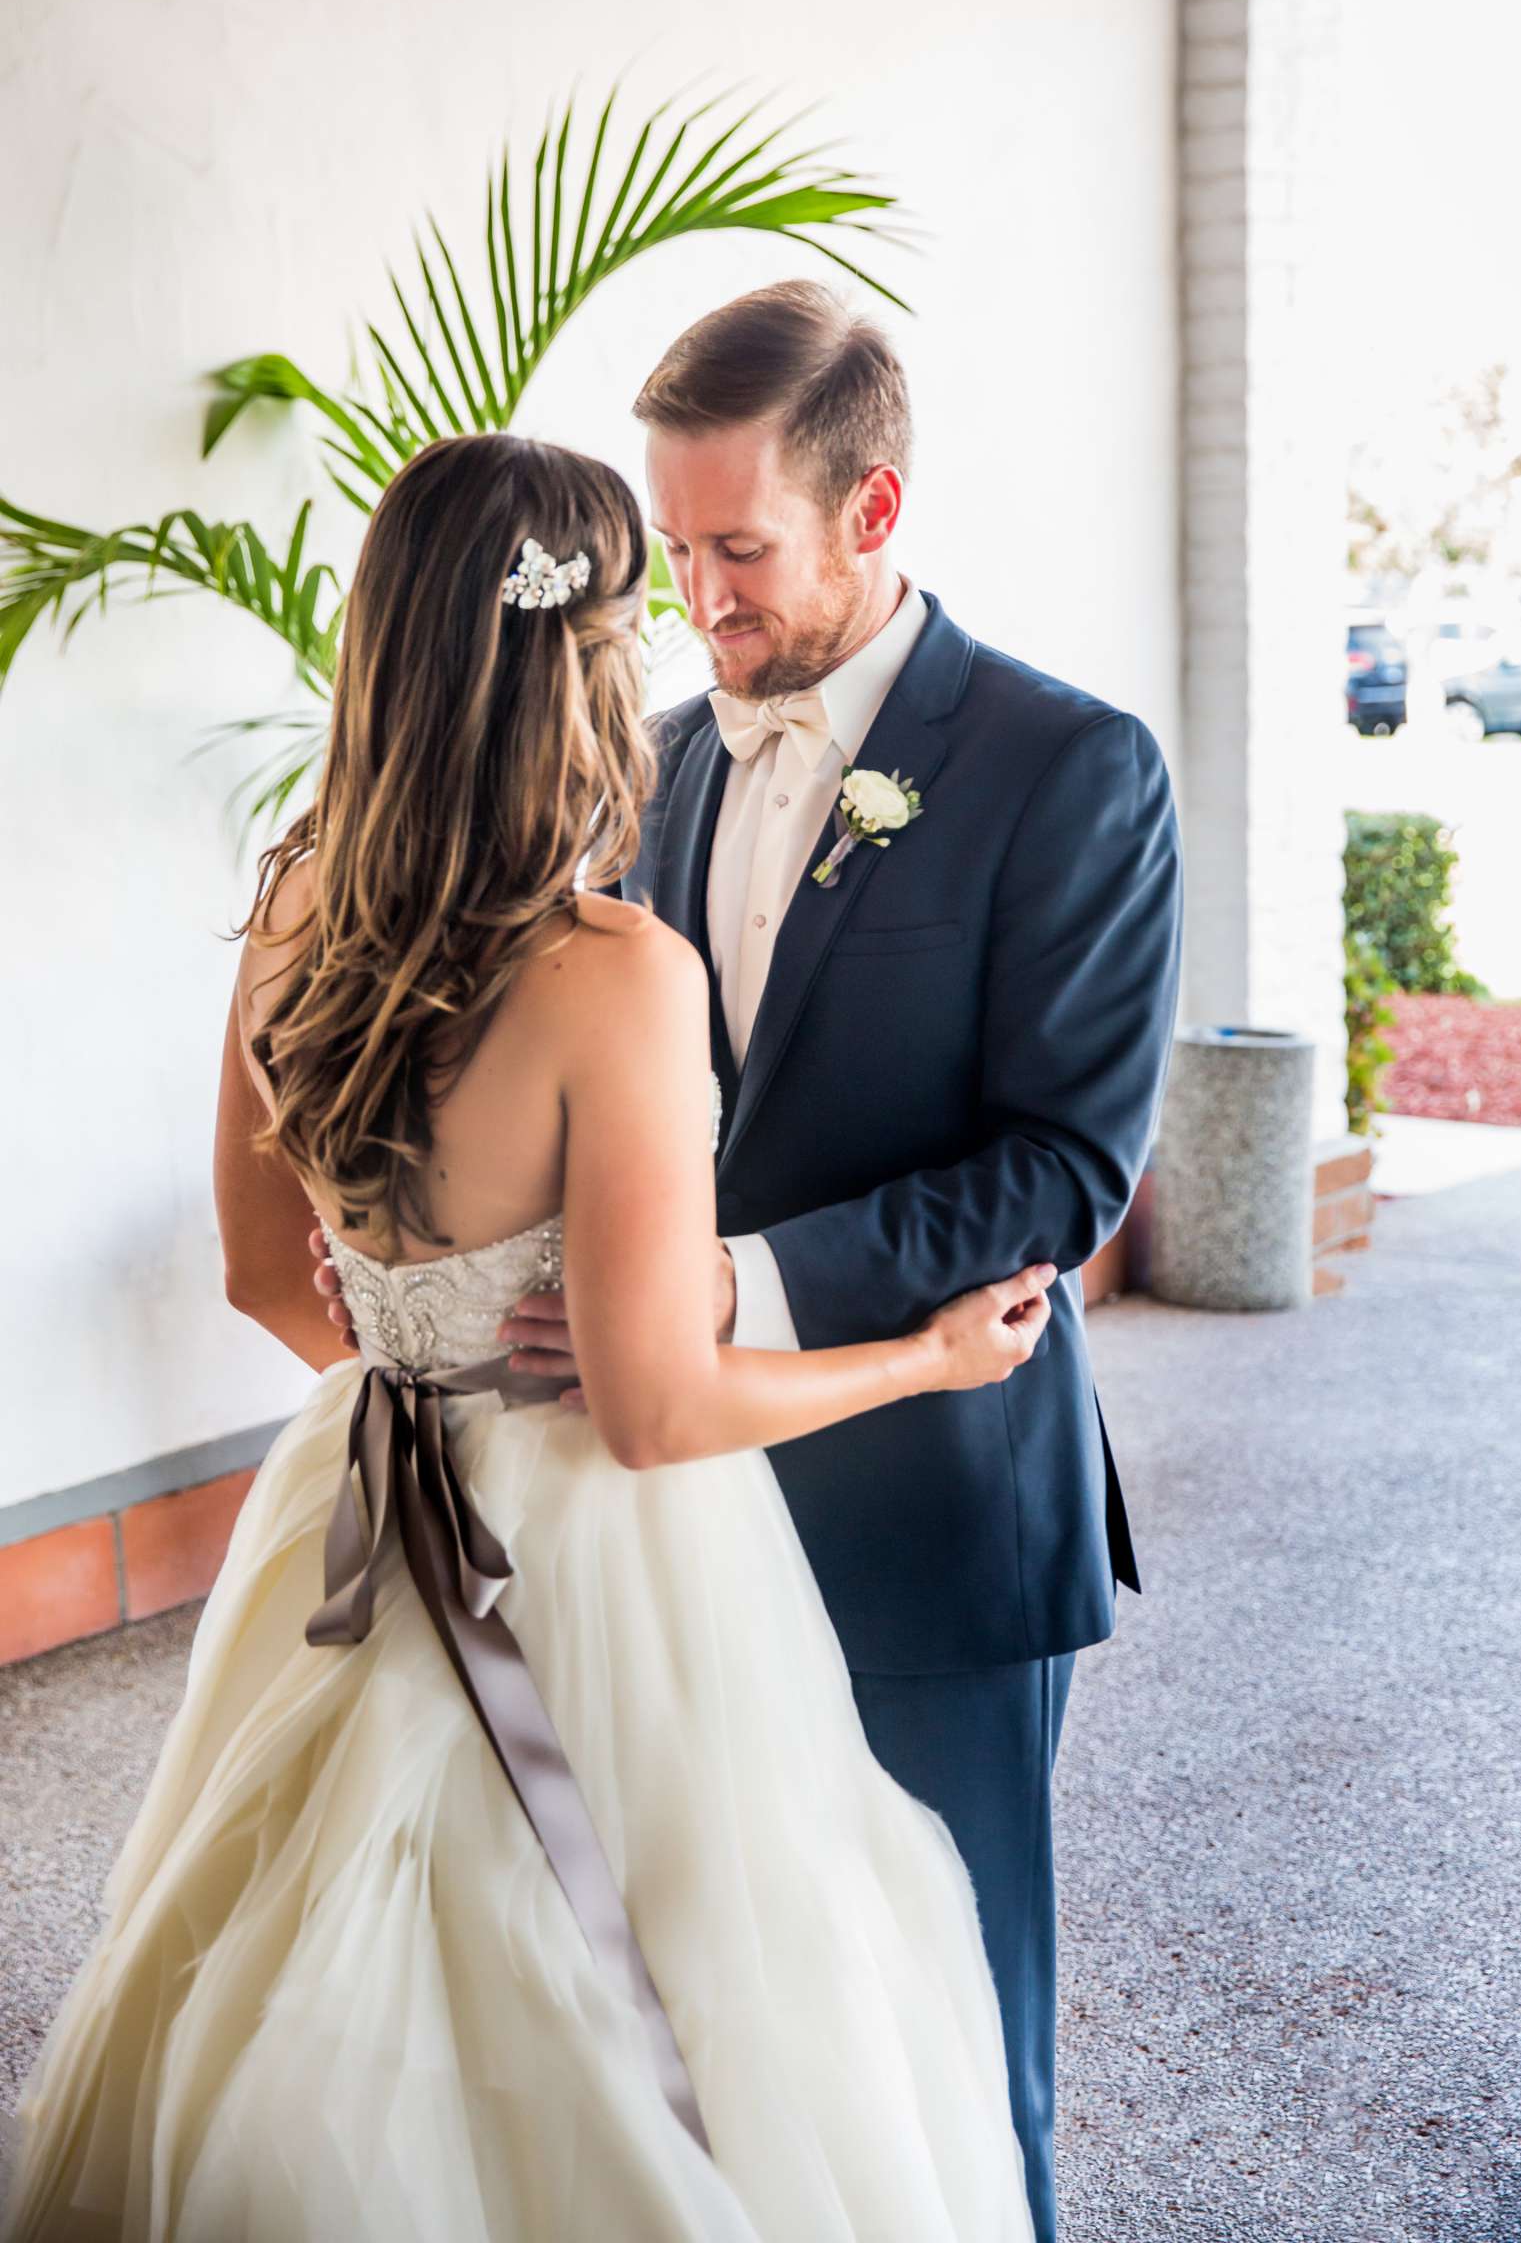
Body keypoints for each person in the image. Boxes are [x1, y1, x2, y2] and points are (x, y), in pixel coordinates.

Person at [1, 428, 1056, 2242]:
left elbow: (272, 1276)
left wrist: (422, 1344)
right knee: (671, 1996)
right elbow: (652, 1413)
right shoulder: (613, 975)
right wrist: (935, 1359)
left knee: (297, 1948)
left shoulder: (289, 914)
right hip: (592, 1560)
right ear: (575, 663)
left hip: (362, 1486)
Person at [317, 280, 1187, 2240]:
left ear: (871, 513)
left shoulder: (1070, 767)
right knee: (695, 2047)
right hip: (637, 1515)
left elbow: (1061, 1166)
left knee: (942, 2064)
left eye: (735, 548)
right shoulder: (637, 749)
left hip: (922, 1509)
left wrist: (733, 1284)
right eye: (671, 544)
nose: (694, 598)